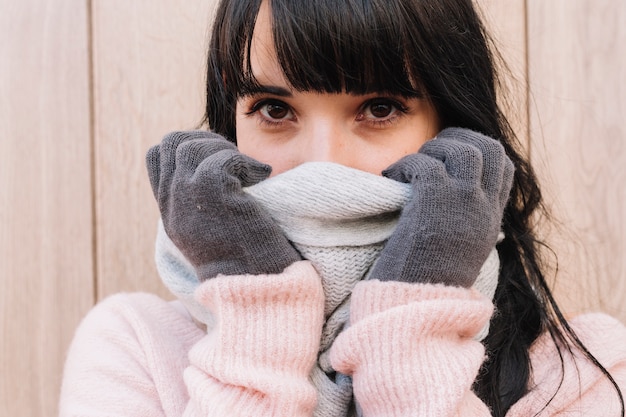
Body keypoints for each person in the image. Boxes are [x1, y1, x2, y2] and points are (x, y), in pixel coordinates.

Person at [58, 0, 626, 416]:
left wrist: (414, 318)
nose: (320, 165)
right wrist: (256, 308)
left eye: (379, 107)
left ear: (453, 131)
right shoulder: (132, 346)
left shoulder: (581, 372)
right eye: (274, 109)